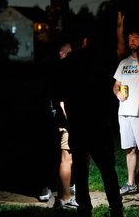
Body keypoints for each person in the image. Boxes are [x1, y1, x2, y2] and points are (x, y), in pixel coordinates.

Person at [50, 12, 128, 217]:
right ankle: (116, 209)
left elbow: (59, 99)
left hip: (77, 128)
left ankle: (84, 209)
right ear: (85, 41)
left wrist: (70, 123)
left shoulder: (62, 67)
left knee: (82, 174)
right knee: (108, 172)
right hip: (99, 126)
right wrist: (119, 29)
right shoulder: (95, 60)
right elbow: (120, 53)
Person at [113, 23, 139, 201]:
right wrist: (117, 94)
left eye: (135, 39)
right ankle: (131, 184)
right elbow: (116, 85)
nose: (131, 42)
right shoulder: (123, 63)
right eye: (130, 39)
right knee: (129, 149)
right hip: (124, 112)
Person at [52, 42, 79, 209]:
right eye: (70, 52)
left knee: (65, 158)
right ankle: (65, 199)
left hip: (64, 120)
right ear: (63, 53)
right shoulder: (62, 70)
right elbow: (62, 101)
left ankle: (62, 196)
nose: (72, 55)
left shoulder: (58, 70)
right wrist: (70, 120)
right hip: (66, 121)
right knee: (66, 159)